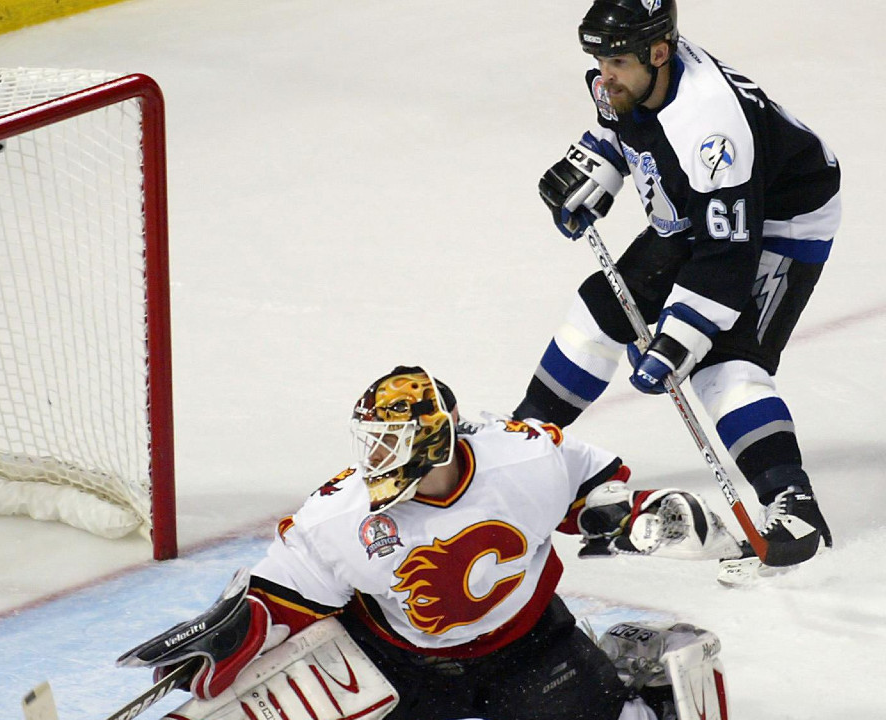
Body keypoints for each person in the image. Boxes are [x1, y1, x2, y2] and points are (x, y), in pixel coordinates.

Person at [119, 366, 732, 720]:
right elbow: (287, 587)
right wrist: (237, 628)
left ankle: (634, 673)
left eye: (390, 441)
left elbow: (593, 476)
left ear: (432, 441)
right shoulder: (344, 512)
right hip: (402, 667)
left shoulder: (521, 457)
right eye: (373, 441)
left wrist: (613, 513)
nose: (374, 457)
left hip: (532, 647)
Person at [519, 0, 839, 568]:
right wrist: (594, 171)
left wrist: (680, 338)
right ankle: (524, 445)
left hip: (781, 215)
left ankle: (792, 499)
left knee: (725, 364)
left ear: (658, 52)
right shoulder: (626, 78)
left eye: (616, 58)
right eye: (598, 57)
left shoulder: (711, 125)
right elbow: (622, 130)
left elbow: (727, 257)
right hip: (707, 206)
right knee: (601, 311)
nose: (603, 72)